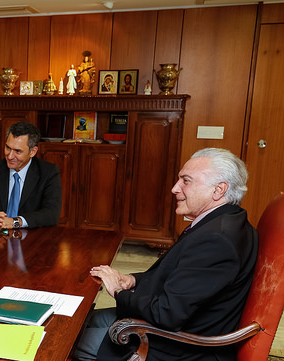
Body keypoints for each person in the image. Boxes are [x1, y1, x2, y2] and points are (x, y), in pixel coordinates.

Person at [73, 148, 258, 361]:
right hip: (170, 324)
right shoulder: (225, 222)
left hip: (175, 346)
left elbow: (167, 314)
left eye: (185, 181)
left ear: (219, 189)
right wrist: (132, 280)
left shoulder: (217, 240)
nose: (174, 188)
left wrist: (117, 292)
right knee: (76, 319)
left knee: (60, 336)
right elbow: (175, 275)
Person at [0, 121, 62, 229]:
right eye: (8, 148)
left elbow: (51, 214)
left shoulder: (48, 172)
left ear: (33, 151)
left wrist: (15, 222)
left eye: (17, 151)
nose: (10, 156)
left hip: (30, 238)